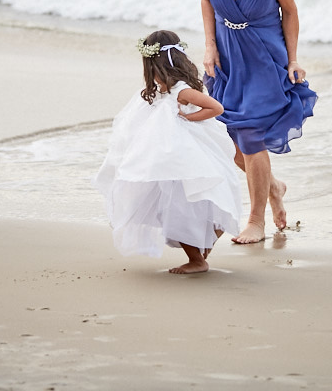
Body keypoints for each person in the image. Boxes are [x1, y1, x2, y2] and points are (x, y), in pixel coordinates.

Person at [199, 0, 317, 244]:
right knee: (227, 137)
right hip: (227, 58)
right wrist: (209, 46)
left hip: (265, 58)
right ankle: (274, 187)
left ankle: (256, 221)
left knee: (251, 137)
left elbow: (290, 12)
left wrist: (293, 59)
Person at [93, 30, 241, 274]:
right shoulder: (163, 93)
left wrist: (188, 117)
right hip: (168, 158)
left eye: (150, 68)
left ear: (159, 65)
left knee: (183, 206)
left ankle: (198, 258)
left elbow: (215, 107)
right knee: (172, 207)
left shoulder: (180, 91)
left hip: (186, 156)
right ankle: (199, 255)